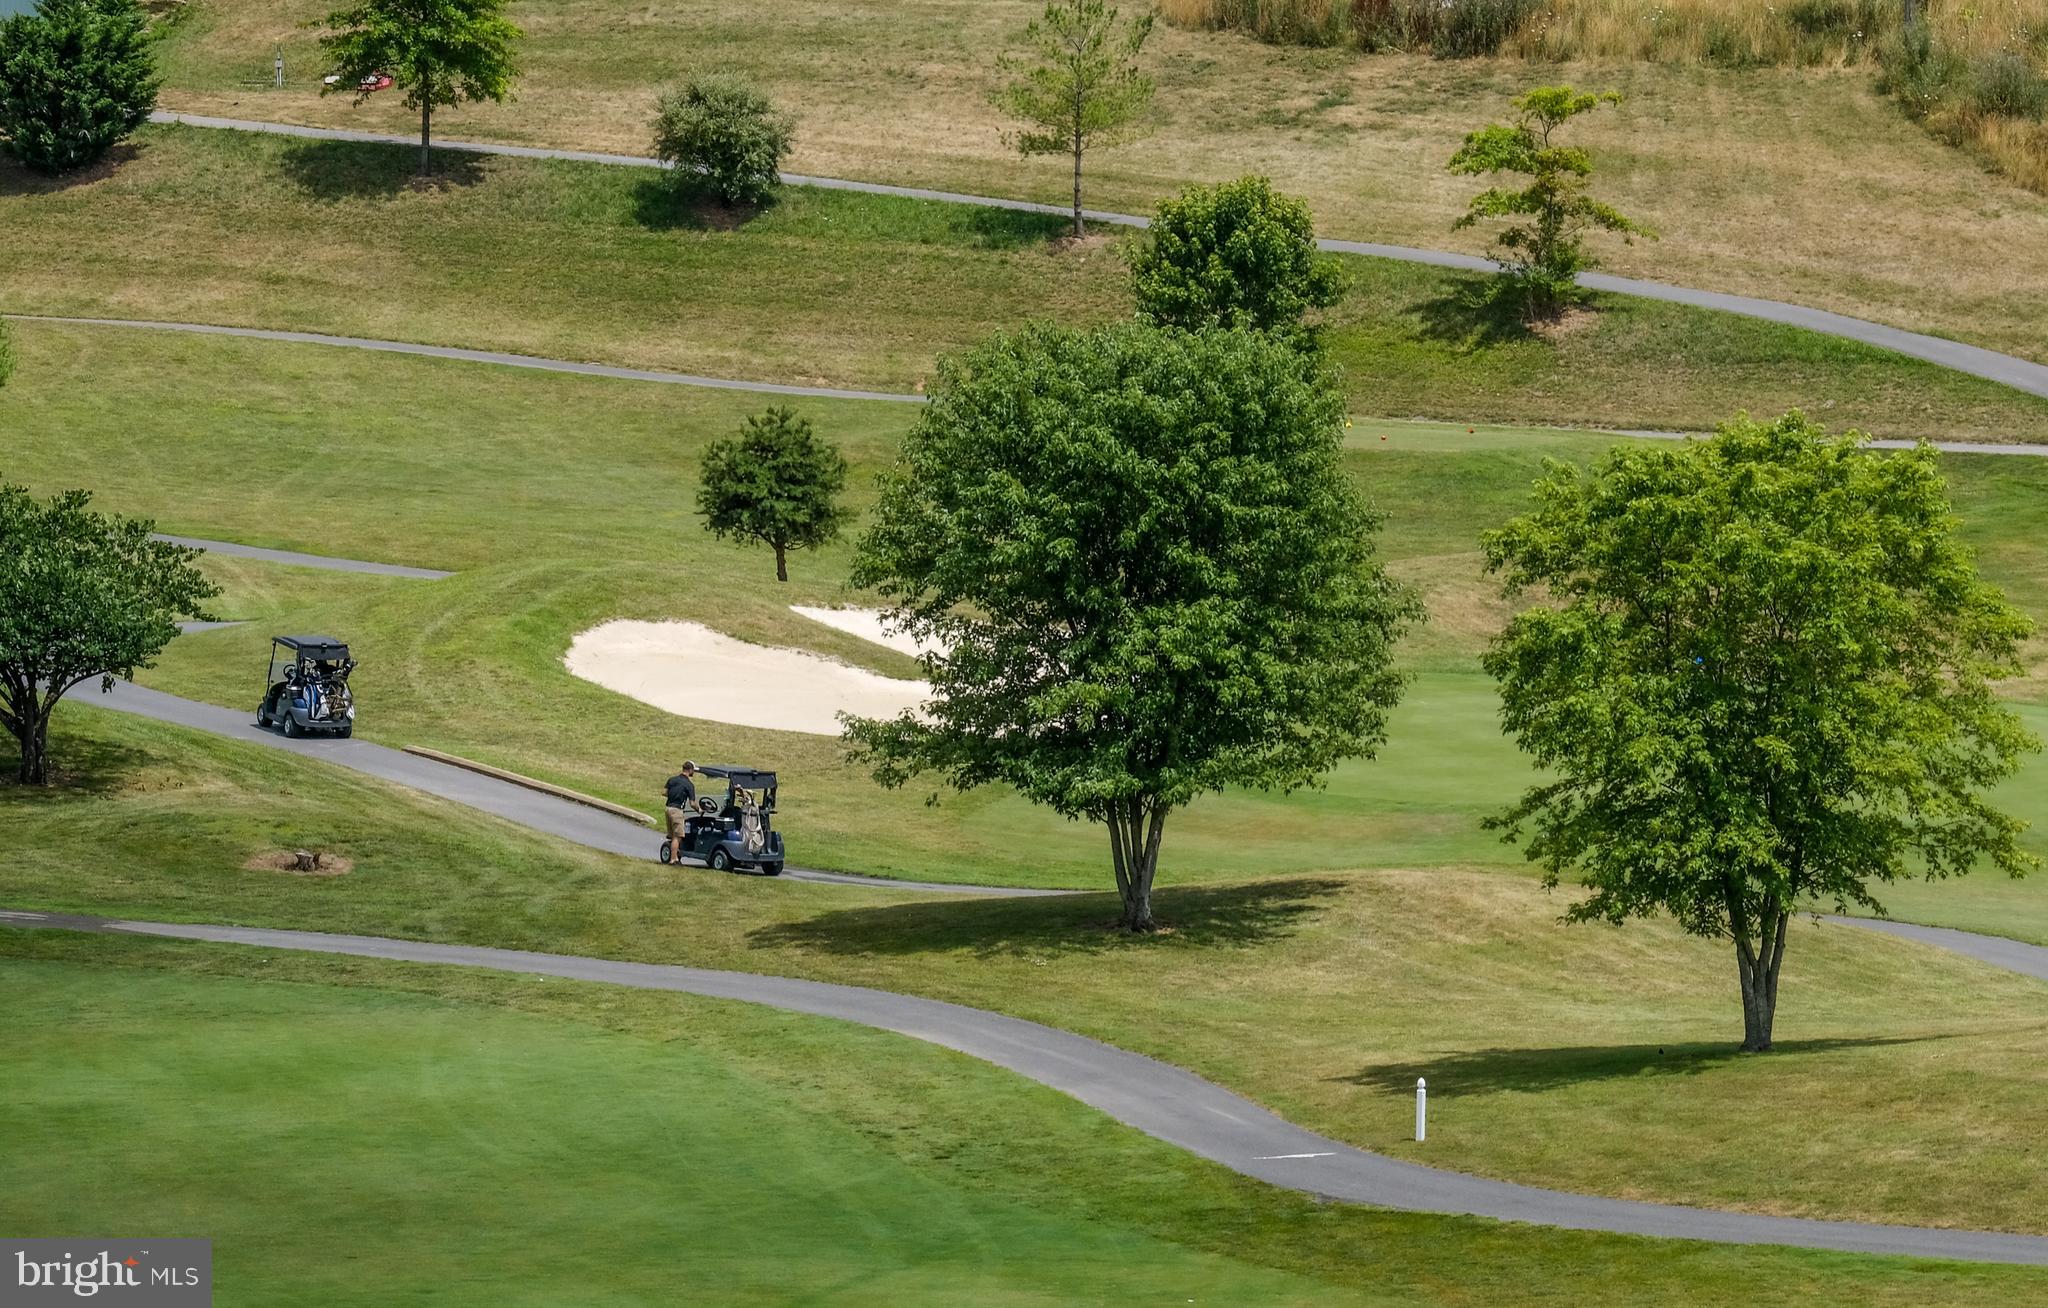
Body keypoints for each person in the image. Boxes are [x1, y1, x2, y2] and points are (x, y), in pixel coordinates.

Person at [663, 761, 699, 864]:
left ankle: (674, 856)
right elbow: (692, 803)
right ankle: (673, 859)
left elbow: (664, 792)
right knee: (677, 836)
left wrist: (673, 795)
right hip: (677, 810)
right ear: (690, 770)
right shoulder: (689, 785)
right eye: (693, 770)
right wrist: (699, 809)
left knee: (671, 835)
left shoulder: (672, 780)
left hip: (668, 808)